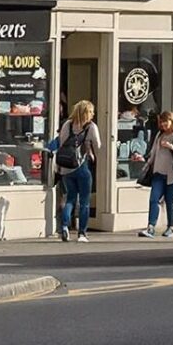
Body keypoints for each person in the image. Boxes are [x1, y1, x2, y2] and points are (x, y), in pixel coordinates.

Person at [52, 99, 102, 242]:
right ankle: (82, 233)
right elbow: (98, 144)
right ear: (87, 112)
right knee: (85, 201)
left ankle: (65, 227)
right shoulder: (91, 127)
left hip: (67, 167)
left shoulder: (67, 124)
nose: (93, 114)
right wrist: (88, 144)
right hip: (82, 166)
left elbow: (61, 143)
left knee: (70, 198)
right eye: (91, 111)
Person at [140, 111, 173, 238]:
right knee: (154, 199)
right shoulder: (160, 134)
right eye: (161, 122)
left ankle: (170, 227)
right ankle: (151, 227)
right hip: (158, 173)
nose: (163, 124)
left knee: (169, 201)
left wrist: (172, 147)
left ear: (172, 120)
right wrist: (146, 164)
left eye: (166, 121)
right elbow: (153, 153)